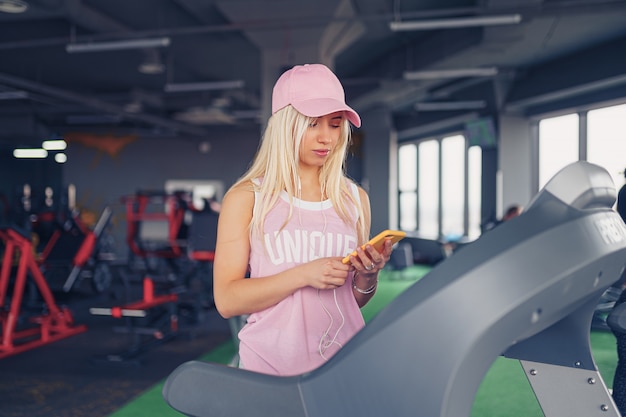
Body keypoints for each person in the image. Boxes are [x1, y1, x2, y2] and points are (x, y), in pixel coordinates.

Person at [212, 63, 393, 376]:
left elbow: (351, 301)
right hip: (268, 367)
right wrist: (304, 274)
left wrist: (368, 276)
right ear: (285, 125)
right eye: (312, 124)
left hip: (342, 366)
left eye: (335, 125)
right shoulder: (247, 198)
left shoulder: (355, 199)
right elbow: (227, 300)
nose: (326, 138)